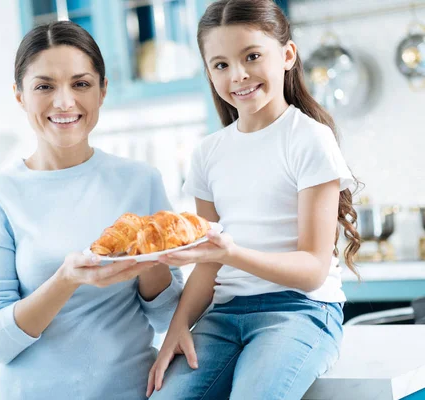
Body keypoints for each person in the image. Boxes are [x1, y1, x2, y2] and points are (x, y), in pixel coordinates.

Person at [146, 1, 362, 399]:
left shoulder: (309, 139)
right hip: (223, 317)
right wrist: (178, 328)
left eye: (252, 56)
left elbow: (313, 269)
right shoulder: (208, 154)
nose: (238, 75)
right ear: (208, 71)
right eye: (221, 64)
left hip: (300, 311)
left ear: (287, 55)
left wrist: (229, 253)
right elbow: (209, 266)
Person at [0, 21, 183, 400]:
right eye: (44, 86)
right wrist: (65, 280)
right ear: (19, 96)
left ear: (102, 91)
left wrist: (150, 260)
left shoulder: (140, 181)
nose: (64, 102)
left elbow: (169, 317)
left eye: (80, 84)